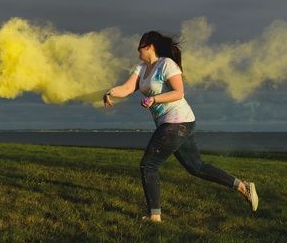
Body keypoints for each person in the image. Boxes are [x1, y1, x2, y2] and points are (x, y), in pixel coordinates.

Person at [104, 31, 258, 222]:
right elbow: (127, 88)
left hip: (178, 122)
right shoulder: (142, 68)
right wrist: (110, 93)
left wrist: (154, 99)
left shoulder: (167, 64)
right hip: (174, 123)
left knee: (148, 165)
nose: (137, 50)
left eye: (140, 46)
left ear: (149, 46)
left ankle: (155, 216)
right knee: (196, 167)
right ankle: (243, 186)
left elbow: (179, 92)